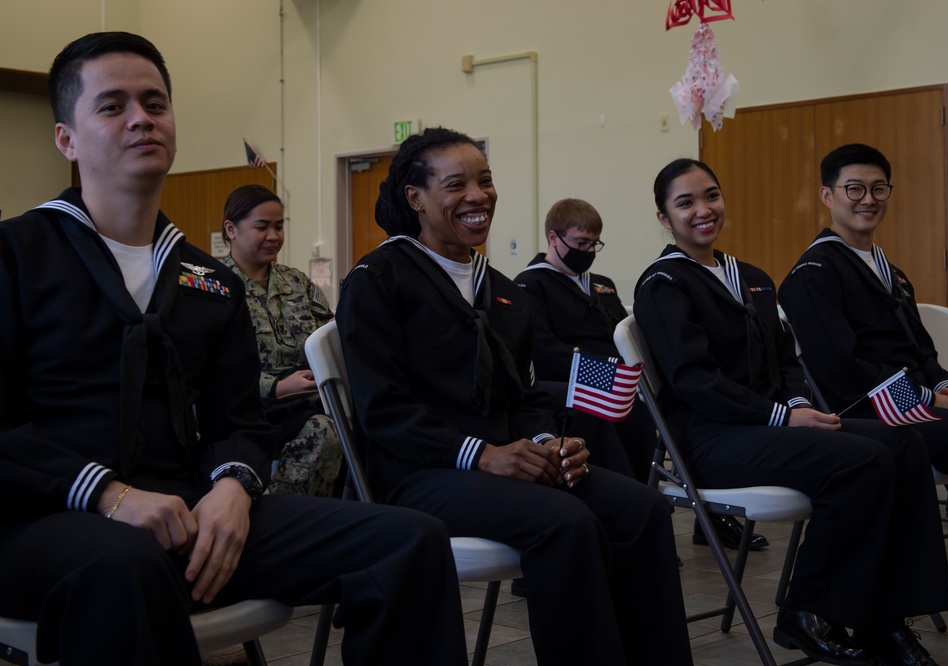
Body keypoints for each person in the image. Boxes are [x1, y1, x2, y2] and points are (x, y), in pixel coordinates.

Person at [0, 32, 468, 666]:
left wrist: (232, 487)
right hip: (43, 516)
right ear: (67, 139)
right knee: (126, 564)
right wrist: (111, 495)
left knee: (409, 541)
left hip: (188, 512)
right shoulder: (16, 255)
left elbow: (239, 422)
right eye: (112, 106)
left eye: (155, 103)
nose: (141, 117)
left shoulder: (208, 281)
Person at [336, 127, 692, 666]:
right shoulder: (377, 279)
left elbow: (525, 395)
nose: (478, 195)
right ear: (416, 198)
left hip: (508, 462)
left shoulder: (500, 288)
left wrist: (550, 441)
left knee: (643, 509)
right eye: (456, 184)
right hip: (420, 473)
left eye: (485, 180)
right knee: (565, 522)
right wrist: (481, 454)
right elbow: (382, 409)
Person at [633, 158, 948, 666]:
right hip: (714, 440)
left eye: (711, 196)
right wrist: (781, 417)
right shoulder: (662, 284)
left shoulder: (753, 279)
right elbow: (694, 381)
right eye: (685, 202)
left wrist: (800, 405)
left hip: (773, 428)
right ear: (663, 217)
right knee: (861, 462)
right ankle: (803, 610)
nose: (703, 210)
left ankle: (888, 621)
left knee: (904, 443)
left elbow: (786, 362)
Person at [779, 142, 948, 581]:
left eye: (879, 189)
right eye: (855, 189)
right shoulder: (813, 274)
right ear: (828, 196)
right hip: (869, 411)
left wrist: (942, 388)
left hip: (918, 403)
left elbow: (922, 349)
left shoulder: (891, 271)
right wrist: (924, 398)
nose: (869, 199)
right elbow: (846, 370)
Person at [515, 197, 767, 551]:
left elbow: (624, 329)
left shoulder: (600, 283)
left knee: (670, 401)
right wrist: (610, 372)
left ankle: (698, 513)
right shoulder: (530, 285)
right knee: (626, 408)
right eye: (580, 244)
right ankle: (634, 517)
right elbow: (543, 350)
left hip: (617, 374)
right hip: (570, 379)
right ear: (553, 238)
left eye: (594, 244)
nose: (588, 252)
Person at [221, 184, 342, 497]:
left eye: (279, 226)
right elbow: (206, 367)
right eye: (262, 227)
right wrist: (276, 386)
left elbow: (328, 336)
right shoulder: (215, 286)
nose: (273, 236)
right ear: (231, 230)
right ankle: (283, 511)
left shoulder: (296, 281)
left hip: (310, 399)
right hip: (247, 408)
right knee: (324, 432)